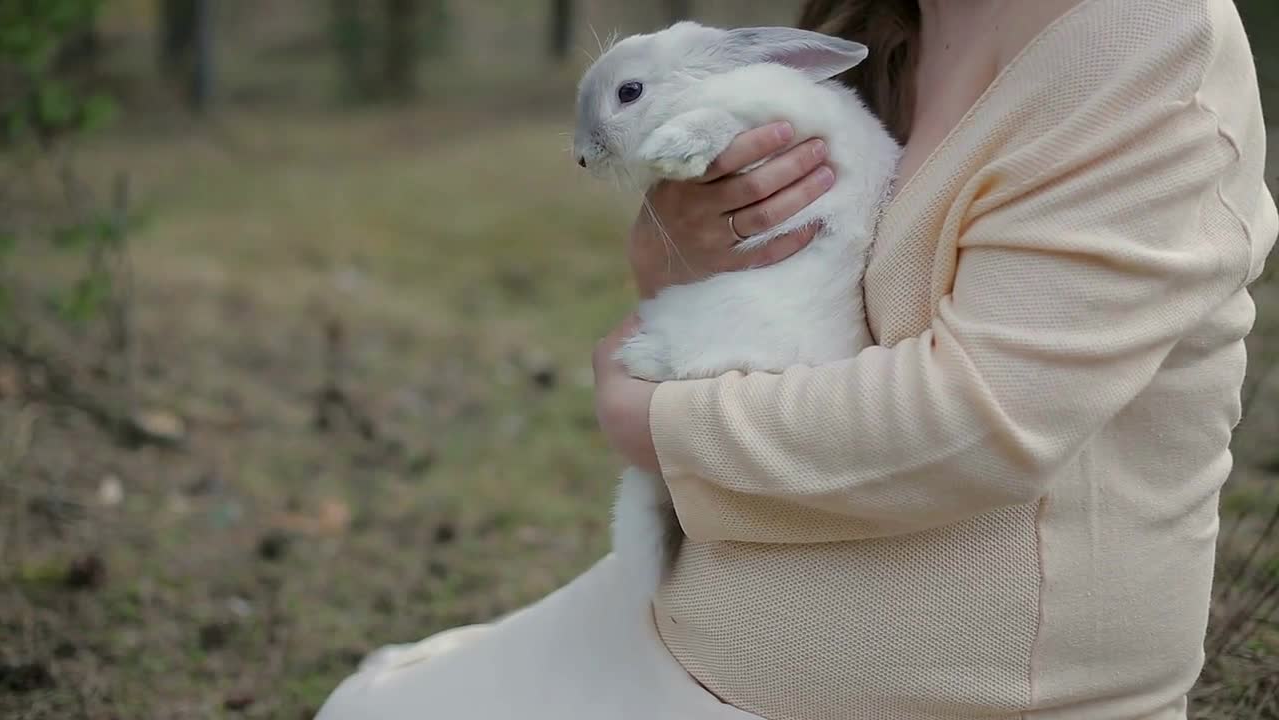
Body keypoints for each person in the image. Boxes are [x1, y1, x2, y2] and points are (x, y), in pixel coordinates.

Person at [316, 0, 1277, 718]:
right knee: (373, 702)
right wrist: (667, 251)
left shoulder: (1143, 44)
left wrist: (648, 419)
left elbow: (981, 424)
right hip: (704, 610)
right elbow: (787, 309)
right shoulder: (895, 18)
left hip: (982, 690)